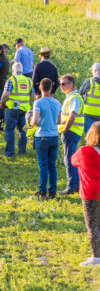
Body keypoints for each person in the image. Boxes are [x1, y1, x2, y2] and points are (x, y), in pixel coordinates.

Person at [71, 122, 100, 266]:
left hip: (90, 193)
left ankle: (96, 257)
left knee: (92, 225)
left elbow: (73, 161)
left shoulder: (85, 151)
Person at [29, 78, 63, 199]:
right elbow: (59, 121)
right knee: (52, 165)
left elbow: (35, 121)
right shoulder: (58, 103)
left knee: (43, 165)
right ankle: (52, 191)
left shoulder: (38, 103)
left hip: (42, 136)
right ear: (51, 88)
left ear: (40, 88)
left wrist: (30, 121)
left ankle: (42, 191)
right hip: (54, 136)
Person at [58, 74, 85, 195]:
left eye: (64, 84)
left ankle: (71, 187)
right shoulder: (71, 97)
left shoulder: (74, 97)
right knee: (71, 159)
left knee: (69, 160)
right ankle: (76, 185)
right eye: (60, 84)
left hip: (71, 132)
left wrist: (65, 129)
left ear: (71, 84)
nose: (61, 86)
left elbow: (72, 116)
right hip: (71, 131)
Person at [0, 62, 34, 157]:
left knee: (9, 129)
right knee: (23, 129)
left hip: (13, 108)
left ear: (13, 70)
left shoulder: (12, 79)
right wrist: (27, 103)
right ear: (21, 70)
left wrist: (2, 103)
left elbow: (6, 94)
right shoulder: (28, 80)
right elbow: (33, 95)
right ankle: (22, 151)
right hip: (25, 109)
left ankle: (9, 152)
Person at [80, 63, 100, 134]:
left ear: (94, 71)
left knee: (89, 137)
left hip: (89, 115)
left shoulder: (90, 81)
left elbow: (81, 92)